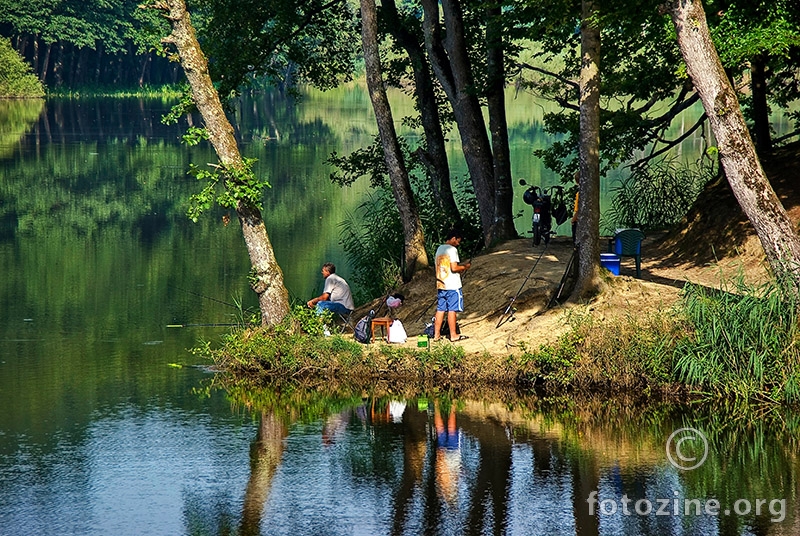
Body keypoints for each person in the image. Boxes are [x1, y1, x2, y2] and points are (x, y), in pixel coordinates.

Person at [433, 228, 470, 342]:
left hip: (441, 285)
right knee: (452, 309)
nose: (458, 244)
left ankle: (436, 335)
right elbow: (454, 268)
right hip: (452, 286)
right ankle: (453, 335)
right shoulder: (452, 250)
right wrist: (464, 267)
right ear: (453, 238)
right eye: (458, 241)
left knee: (440, 309)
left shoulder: (439, 249)